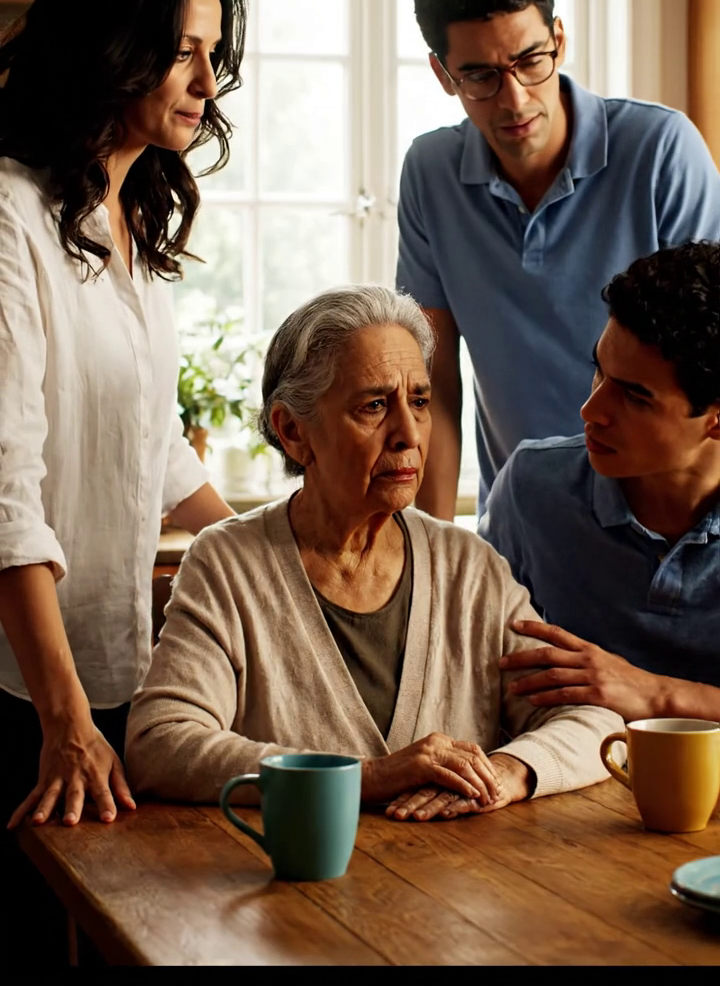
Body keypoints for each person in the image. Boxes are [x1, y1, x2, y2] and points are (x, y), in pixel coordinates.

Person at [125, 285, 622, 821]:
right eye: (375, 406)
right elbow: (160, 744)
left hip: (451, 894)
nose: (408, 434)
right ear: (293, 432)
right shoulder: (227, 564)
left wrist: (513, 770)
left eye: (420, 402)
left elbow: (593, 719)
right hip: (289, 891)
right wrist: (366, 778)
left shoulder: (468, 567)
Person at [0, 0, 246, 960]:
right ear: (109, 43)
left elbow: (155, 454)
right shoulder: (8, 214)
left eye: (215, 55)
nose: (206, 81)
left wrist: (271, 555)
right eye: (184, 50)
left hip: (113, 673)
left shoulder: (128, 226)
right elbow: (4, 488)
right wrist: (61, 713)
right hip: (22, 690)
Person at [395, 0, 720, 521]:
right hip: (521, 528)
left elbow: (710, 364)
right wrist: (430, 554)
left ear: (559, 39)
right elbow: (433, 383)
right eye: (480, 75)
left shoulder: (661, 150)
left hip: (666, 525)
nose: (514, 100)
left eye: (529, 60)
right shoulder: (430, 173)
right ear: (445, 75)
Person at [480, 241, 720, 724]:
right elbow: (475, 673)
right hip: (561, 782)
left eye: (635, 397)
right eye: (599, 371)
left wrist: (655, 695)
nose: (591, 411)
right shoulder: (532, 489)